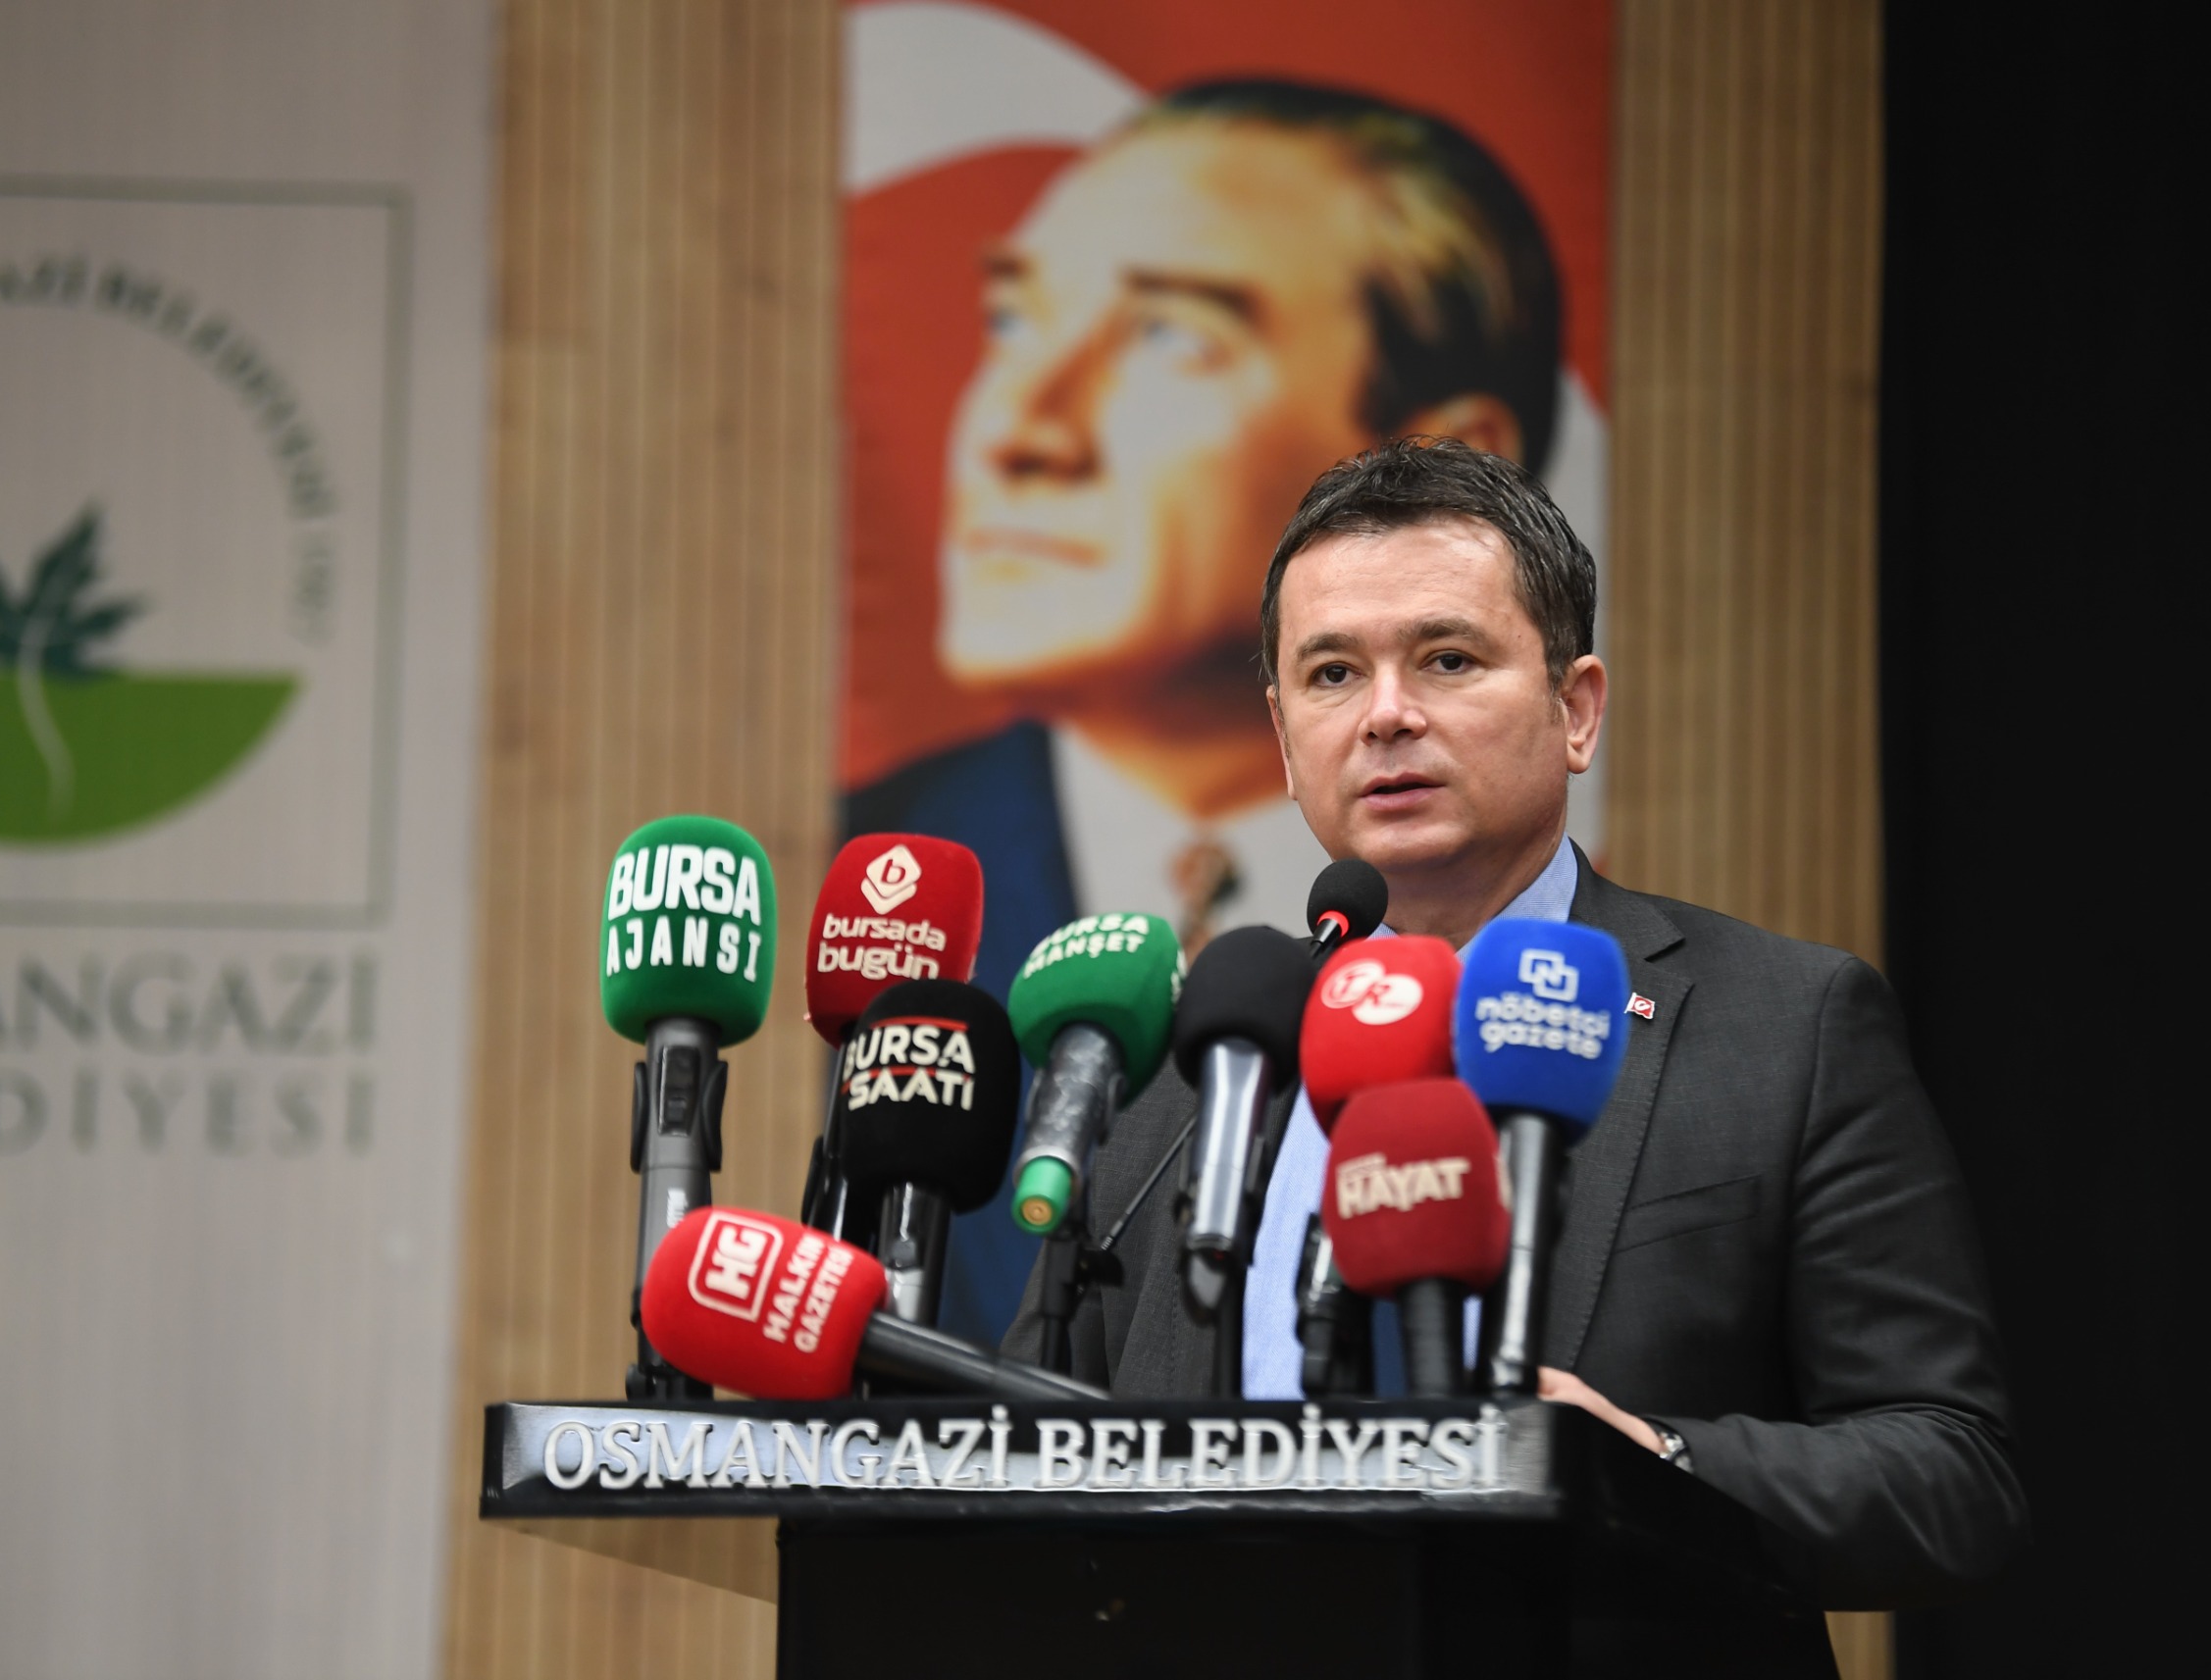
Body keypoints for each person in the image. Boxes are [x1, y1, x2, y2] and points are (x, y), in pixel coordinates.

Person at [1004, 438, 2030, 1615]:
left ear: (1575, 710)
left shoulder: (1785, 1026)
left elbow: (1950, 1477)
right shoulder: (1199, 1065)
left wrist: (1646, 1463)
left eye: (1446, 659)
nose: (1386, 716)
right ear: (1285, 741)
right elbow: (1030, 1450)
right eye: (1332, 674)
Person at [850, 78, 1573, 1343]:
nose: (1017, 430)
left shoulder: (1770, 1030)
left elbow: (1926, 1434)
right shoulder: (889, 916)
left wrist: (1638, 1441)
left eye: (1170, 338)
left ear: (1447, 455)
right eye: (1016, 321)